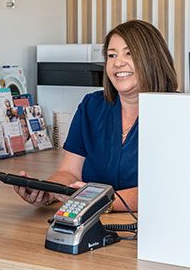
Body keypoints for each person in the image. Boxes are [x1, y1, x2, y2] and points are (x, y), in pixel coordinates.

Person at [14, 20, 177, 212]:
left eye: (129, 53)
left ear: (152, 59)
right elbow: (69, 172)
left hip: (151, 229)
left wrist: (97, 200)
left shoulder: (177, 113)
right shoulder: (92, 106)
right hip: (90, 223)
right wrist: (48, 191)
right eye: (111, 55)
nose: (118, 62)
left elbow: (171, 189)